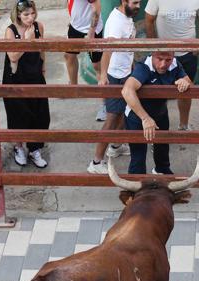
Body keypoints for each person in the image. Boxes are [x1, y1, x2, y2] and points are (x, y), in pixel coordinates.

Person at [87, 0, 141, 174]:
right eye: (135, 2)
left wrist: (131, 68)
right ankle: (96, 162)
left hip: (124, 73)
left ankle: (116, 146)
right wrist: (103, 76)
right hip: (114, 76)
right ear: (124, 1)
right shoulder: (116, 21)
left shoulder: (127, 15)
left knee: (123, 114)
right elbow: (107, 49)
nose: (138, 6)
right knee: (111, 119)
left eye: (139, 2)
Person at [121, 51, 192, 174]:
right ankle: (137, 185)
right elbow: (127, 91)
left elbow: (189, 82)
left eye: (168, 60)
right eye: (159, 59)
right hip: (137, 116)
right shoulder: (144, 67)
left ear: (173, 57)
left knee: (162, 147)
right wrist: (145, 118)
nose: (163, 64)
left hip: (160, 113)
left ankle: (162, 171)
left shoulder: (175, 64)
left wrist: (185, 82)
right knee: (138, 156)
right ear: (152, 55)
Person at [145, 0, 199, 131]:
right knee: (157, 94)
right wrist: (154, 47)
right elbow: (149, 20)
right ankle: (156, 129)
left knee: (186, 91)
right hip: (164, 56)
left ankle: (183, 125)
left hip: (187, 55)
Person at [3, 0, 50, 168]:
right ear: (18, 15)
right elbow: (13, 57)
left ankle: (34, 148)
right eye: (26, 15)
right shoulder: (11, 31)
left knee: (40, 113)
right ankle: (19, 147)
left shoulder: (39, 26)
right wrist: (26, 40)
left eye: (32, 13)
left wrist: (43, 66)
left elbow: (41, 49)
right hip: (16, 77)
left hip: (35, 73)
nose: (30, 18)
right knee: (18, 114)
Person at [64, 0, 106, 121]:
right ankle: (73, 88)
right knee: (69, 56)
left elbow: (96, 7)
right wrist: (73, 19)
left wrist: (91, 32)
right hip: (75, 26)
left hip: (91, 29)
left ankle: (105, 105)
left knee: (97, 66)